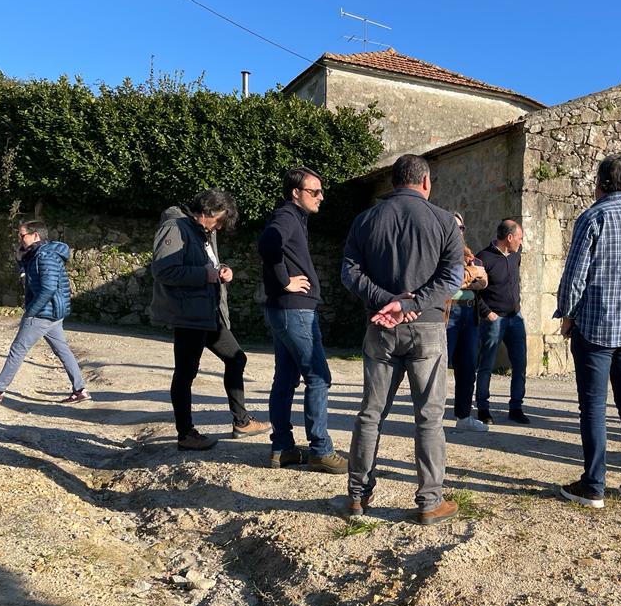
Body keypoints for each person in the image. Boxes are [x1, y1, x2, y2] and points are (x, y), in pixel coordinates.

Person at [341, 154, 464, 524]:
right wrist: (411, 303)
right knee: (429, 417)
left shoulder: (366, 219)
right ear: (425, 182)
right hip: (427, 327)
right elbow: (452, 278)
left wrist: (387, 301)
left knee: (371, 413)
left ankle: (357, 495)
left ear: (393, 182)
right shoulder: (444, 221)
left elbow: (349, 273)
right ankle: (429, 502)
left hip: (381, 327)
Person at [555, 155, 621, 508]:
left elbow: (575, 276)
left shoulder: (594, 216)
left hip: (597, 325)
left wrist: (567, 314)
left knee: (593, 406)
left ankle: (593, 485)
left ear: (600, 182)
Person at [150, 189, 270, 451]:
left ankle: (241, 422)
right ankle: (186, 434)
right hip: (189, 314)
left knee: (236, 358)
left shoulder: (204, 231)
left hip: (208, 313)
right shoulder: (175, 228)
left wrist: (222, 270)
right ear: (207, 211)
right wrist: (203, 276)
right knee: (186, 373)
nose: (221, 226)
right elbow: (163, 270)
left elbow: (207, 263)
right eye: (220, 220)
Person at [258, 167, 347, 472]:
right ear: (296, 193)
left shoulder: (293, 217)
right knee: (318, 377)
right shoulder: (287, 216)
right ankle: (320, 450)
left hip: (285, 309)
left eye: (321, 191)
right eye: (314, 191)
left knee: (285, 379)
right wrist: (285, 281)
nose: (321, 197)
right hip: (294, 310)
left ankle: (282, 448)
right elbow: (268, 243)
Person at [0, 220, 90, 404]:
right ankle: (80, 390)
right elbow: (30, 277)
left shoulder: (45, 256)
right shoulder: (38, 254)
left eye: (22, 235)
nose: (19, 239)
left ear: (35, 235)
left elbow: (49, 288)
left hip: (43, 312)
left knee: (18, 349)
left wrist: (32, 311)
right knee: (63, 350)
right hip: (51, 312)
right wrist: (21, 260)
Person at [475, 219, 529, 425]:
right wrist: (487, 313)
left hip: (515, 318)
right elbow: (473, 290)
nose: (521, 242)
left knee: (520, 365)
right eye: (519, 238)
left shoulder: (516, 255)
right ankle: (483, 409)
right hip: (494, 320)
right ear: (509, 237)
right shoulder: (483, 258)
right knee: (486, 365)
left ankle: (516, 408)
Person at [446, 212, 489, 432]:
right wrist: (472, 274)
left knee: (468, 367)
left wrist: (466, 276)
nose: (459, 231)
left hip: (469, 313)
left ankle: (463, 416)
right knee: (438, 366)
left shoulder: (469, 254)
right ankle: (429, 418)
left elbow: (484, 281)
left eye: (461, 227)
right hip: (449, 312)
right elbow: (447, 282)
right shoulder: (441, 251)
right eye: (455, 226)